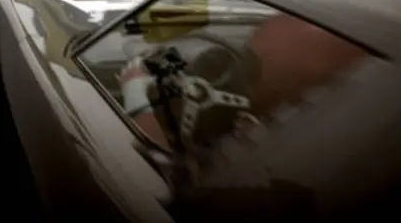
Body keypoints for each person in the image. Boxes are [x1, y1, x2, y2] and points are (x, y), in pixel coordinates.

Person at [119, 12, 367, 152]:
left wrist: (135, 94)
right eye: (247, 54)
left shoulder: (286, 146)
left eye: (254, 63)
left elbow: (162, 172)